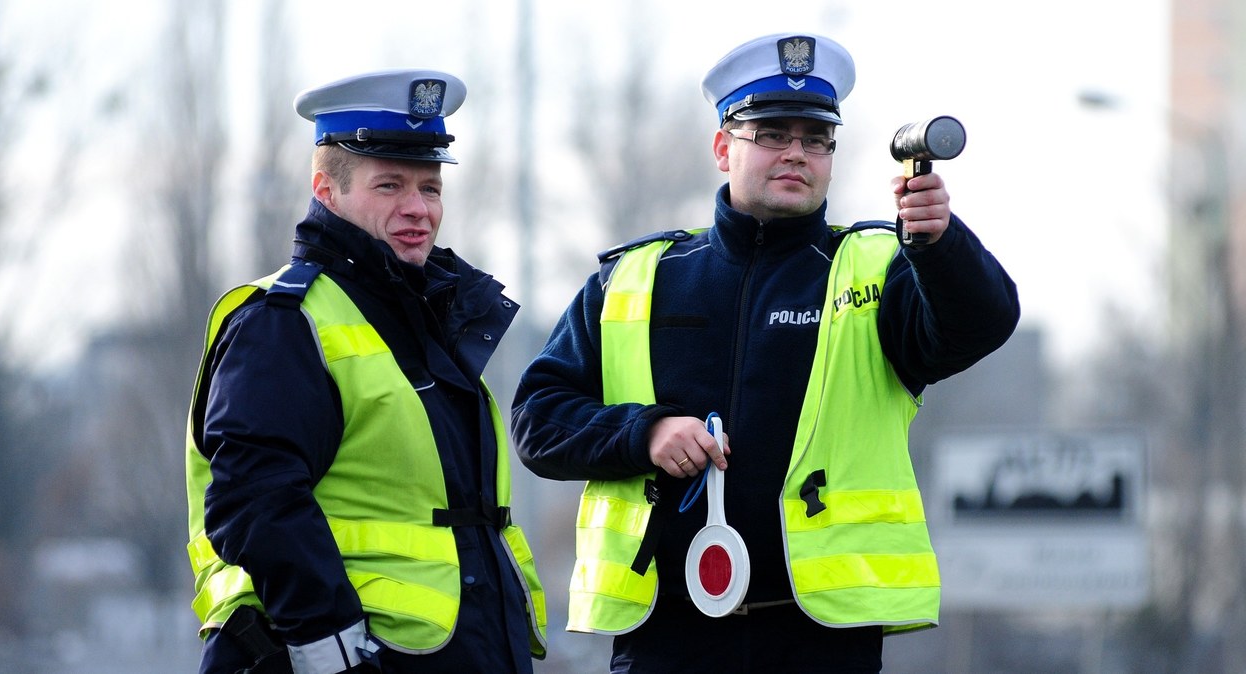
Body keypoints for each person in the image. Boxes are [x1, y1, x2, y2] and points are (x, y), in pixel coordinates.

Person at [510, 33, 1020, 673]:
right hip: (666, 635)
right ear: (723, 148)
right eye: (772, 134)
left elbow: (983, 324)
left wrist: (940, 244)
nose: (796, 154)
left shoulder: (879, 268)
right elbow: (537, 419)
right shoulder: (635, 279)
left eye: (815, 139)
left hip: (820, 638)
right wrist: (645, 432)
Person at [183, 69, 547, 674]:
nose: (418, 209)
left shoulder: (422, 320)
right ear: (326, 191)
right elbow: (254, 499)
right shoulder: (283, 322)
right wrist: (333, 644)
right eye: (389, 186)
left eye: (430, 188)